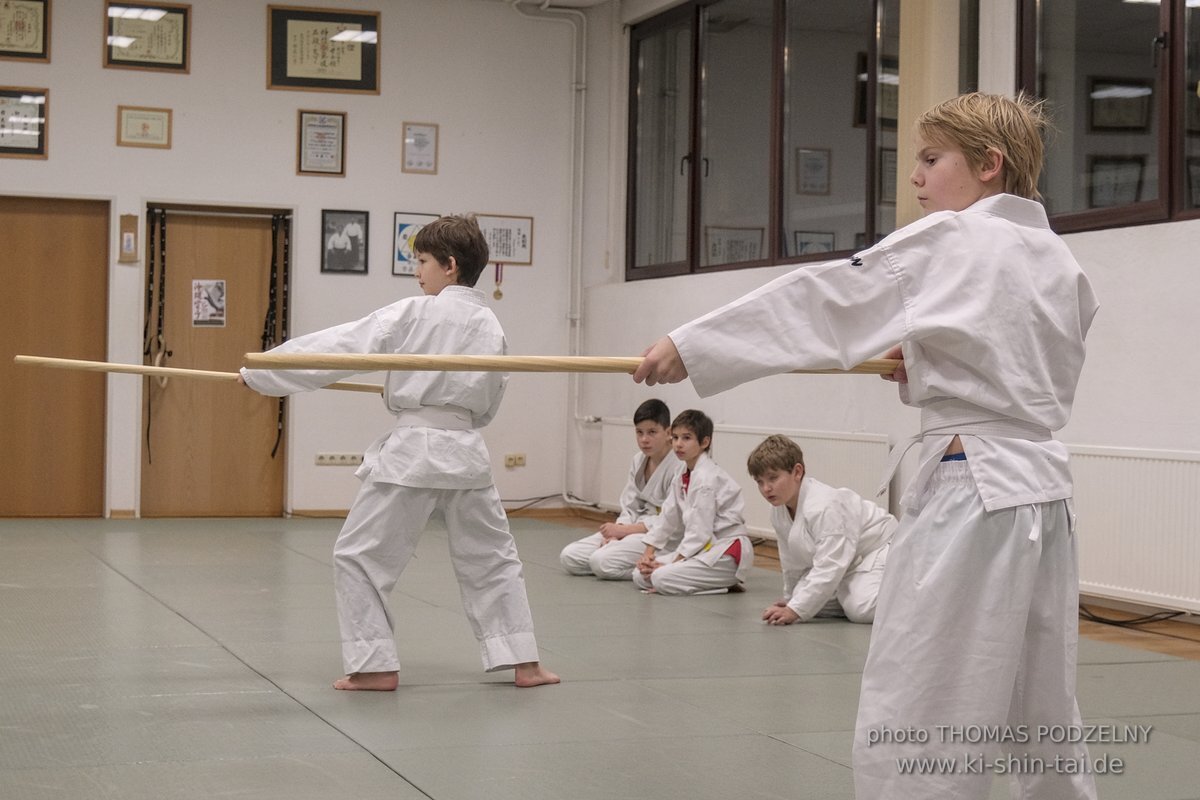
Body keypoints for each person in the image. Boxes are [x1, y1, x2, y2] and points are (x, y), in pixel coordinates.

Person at [633, 93, 1099, 799]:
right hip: (1043, 492)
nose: (915, 177)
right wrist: (933, 367)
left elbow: (825, 299)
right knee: (1042, 701)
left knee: (924, 692)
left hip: (972, 488)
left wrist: (692, 345)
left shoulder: (952, 239)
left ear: (986, 165)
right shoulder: (1060, 262)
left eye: (930, 159)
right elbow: (1015, 364)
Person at [240, 214, 558, 692]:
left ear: (449, 266)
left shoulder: (416, 312)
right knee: (492, 559)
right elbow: (490, 400)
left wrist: (265, 373)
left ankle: (373, 665)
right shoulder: (491, 325)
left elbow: (342, 348)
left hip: (414, 452)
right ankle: (524, 663)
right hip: (468, 452)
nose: (418, 272)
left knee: (359, 555)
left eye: (424, 261)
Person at [747, 434, 896, 625]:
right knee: (803, 597)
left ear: (797, 472)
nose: (766, 488)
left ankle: (919, 600)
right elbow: (791, 560)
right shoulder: (779, 510)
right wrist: (790, 599)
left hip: (879, 550)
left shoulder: (824, 506)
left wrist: (796, 610)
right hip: (848, 561)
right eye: (759, 482)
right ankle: (849, 591)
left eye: (773, 478)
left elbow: (830, 564)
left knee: (859, 608)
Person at [560, 398, 684, 579]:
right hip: (633, 530)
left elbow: (671, 520)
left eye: (652, 432)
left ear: (668, 433)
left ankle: (655, 569)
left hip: (662, 539)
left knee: (601, 562)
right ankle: (624, 558)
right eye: (639, 432)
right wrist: (615, 533)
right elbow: (629, 506)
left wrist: (625, 532)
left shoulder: (678, 465)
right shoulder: (638, 460)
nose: (644, 439)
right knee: (569, 556)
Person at [634, 409, 753, 594]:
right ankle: (704, 581)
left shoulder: (706, 478)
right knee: (640, 575)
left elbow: (699, 532)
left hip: (726, 553)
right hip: (705, 550)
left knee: (659, 577)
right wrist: (648, 555)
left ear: (704, 442)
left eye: (686, 438)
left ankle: (723, 583)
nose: (678, 444)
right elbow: (668, 516)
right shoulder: (682, 473)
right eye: (675, 437)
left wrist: (670, 566)